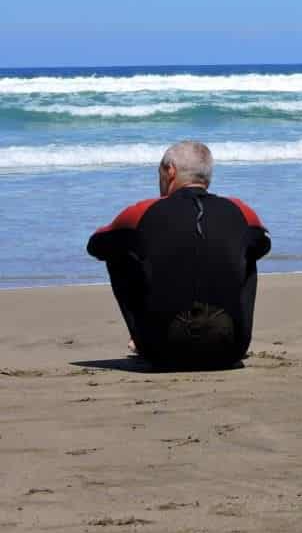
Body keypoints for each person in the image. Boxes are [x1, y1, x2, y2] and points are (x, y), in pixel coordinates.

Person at [87, 141, 271, 370]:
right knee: (248, 250)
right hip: (228, 350)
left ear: (170, 171)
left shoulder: (142, 212)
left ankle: (141, 337)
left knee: (120, 250)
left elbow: (96, 246)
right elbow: (264, 245)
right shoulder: (241, 211)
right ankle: (232, 329)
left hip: (162, 351)